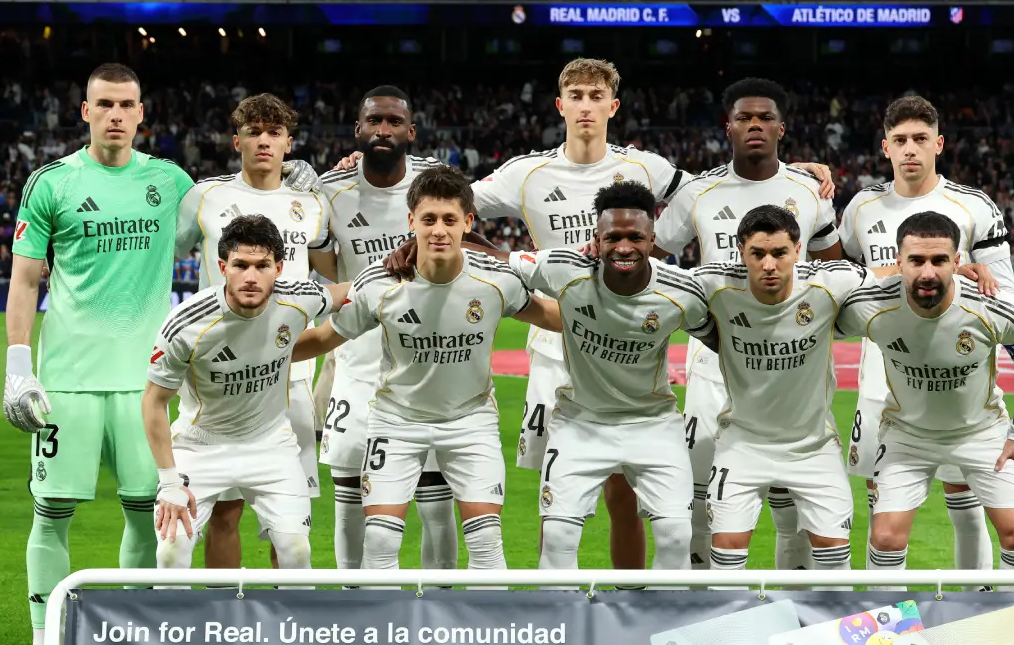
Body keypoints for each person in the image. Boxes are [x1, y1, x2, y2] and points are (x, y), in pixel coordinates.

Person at [340, 59, 835, 573]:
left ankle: (632, 600)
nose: (585, 105)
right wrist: (370, 170)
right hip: (556, 346)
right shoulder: (526, 172)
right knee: (555, 502)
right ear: (560, 104)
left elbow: (736, 182)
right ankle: (560, 607)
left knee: (627, 498)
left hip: (624, 339)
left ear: (612, 106)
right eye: (575, 94)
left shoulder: (647, 168)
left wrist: (805, 170)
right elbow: (445, 201)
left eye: (595, 96)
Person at [3, 63, 195, 645]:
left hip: (148, 383)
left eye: (127, 105)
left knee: (148, 514)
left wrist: (305, 183)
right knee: (52, 512)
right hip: (69, 379)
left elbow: (233, 219)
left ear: (142, 112)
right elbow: (25, 279)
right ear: (85, 111)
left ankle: (130, 631)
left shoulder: (174, 183)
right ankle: (45, 632)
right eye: (104, 104)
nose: (116, 115)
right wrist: (18, 368)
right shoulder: (51, 182)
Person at [292, 165, 562, 575]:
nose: (439, 230)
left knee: (487, 542)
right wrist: (262, 354)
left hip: (471, 421)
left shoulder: (497, 281)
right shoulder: (379, 284)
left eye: (450, 220)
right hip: (397, 421)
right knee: (380, 541)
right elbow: (324, 339)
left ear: (468, 223)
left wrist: (618, 318)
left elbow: (553, 316)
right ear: (410, 221)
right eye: (429, 219)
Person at [653, 78, 843, 571]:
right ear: (728, 126)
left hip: (792, 366)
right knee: (698, 484)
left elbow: (833, 269)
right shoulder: (699, 191)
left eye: (764, 118)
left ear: (782, 128)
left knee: (793, 498)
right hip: (714, 360)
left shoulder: (809, 190)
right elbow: (649, 256)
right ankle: (700, 600)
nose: (754, 125)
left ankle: (796, 605)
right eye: (744, 118)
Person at [483, 181, 716, 572]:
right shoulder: (564, 268)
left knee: (677, 538)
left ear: (652, 238)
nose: (624, 247)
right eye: (613, 237)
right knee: (556, 539)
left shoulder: (681, 291)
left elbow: (727, 342)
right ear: (596, 238)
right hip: (580, 423)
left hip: (653, 425)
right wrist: (423, 247)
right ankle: (562, 629)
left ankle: (654, 627)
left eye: (635, 237)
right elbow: (491, 261)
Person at [838, 95, 1013, 583]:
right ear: (885, 148)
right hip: (883, 379)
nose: (910, 150)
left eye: (919, 139)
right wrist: (891, 272)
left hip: (961, 380)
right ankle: (885, 617)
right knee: (884, 511)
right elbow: (839, 281)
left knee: (967, 500)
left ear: (939, 143)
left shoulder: (973, 205)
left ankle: (975, 601)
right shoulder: (861, 207)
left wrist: (969, 278)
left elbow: (1006, 294)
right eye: (900, 141)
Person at [836, 212, 1014, 592]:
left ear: (958, 263)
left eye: (939, 261)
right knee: (885, 539)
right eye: (916, 260)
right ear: (898, 263)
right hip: (907, 436)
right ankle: (889, 634)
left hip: (981, 432)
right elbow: (817, 305)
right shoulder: (870, 305)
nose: (927, 272)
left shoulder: (992, 307)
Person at [172, 93, 336, 572]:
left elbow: (330, 263)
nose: (263, 140)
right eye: (254, 131)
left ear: (290, 142)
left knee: (289, 520)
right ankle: (226, 616)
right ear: (236, 139)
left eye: (274, 132)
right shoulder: (204, 196)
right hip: (218, 374)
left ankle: (283, 618)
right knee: (224, 508)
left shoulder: (311, 203)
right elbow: (169, 253)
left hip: (289, 368)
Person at [147, 214, 349, 579]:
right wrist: (169, 482)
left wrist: (407, 268)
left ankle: (293, 632)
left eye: (262, 265)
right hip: (199, 447)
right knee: (171, 551)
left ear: (279, 267)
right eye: (240, 265)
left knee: (296, 549)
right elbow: (153, 401)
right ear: (222, 267)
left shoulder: (297, 298)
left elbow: (347, 294)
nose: (251, 277)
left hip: (271, 444)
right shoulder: (186, 324)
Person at [314, 86, 462, 576]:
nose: (383, 130)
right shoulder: (328, 192)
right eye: (374, 121)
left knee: (436, 506)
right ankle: (357, 607)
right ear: (357, 130)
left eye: (394, 122)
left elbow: (466, 239)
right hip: (358, 363)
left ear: (410, 132)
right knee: (350, 497)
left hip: (430, 362)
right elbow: (328, 277)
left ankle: (437, 609)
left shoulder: (435, 180)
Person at [690, 205, 882, 582]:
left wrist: (957, 270)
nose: (768, 265)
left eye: (779, 253)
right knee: (725, 554)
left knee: (834, 560)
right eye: (757, 254)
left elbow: (896, 275)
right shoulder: (713, 285)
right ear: (741, 252)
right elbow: (652, 280)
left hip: (813, 446)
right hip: (742, 445)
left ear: (797, 249)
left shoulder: (831, 282)